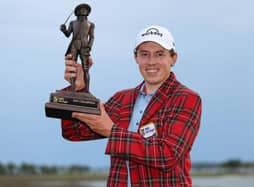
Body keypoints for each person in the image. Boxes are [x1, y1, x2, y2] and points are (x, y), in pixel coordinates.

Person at [61, 25, 202, 186]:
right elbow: (74, 132)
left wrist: (111, 131)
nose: (151, 62)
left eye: (159, 54)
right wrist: (78, 90)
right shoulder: (122, 99)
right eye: (144, 54)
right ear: (136, 58)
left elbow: (167, 156)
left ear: (173, 58)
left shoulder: (186, 98)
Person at [60, 3, 95, 92]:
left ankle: (86, 90)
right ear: (77, 12)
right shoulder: (72, 23)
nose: (83, 11)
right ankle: (72, 89)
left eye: (85, 10)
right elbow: (68, 34)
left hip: (84, 47)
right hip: (74, 45)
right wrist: (64, 30)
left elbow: (92, 37)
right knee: (72, 67)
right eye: (81, 10)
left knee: (85, 68)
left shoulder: (90, 24)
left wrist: (89, 47)